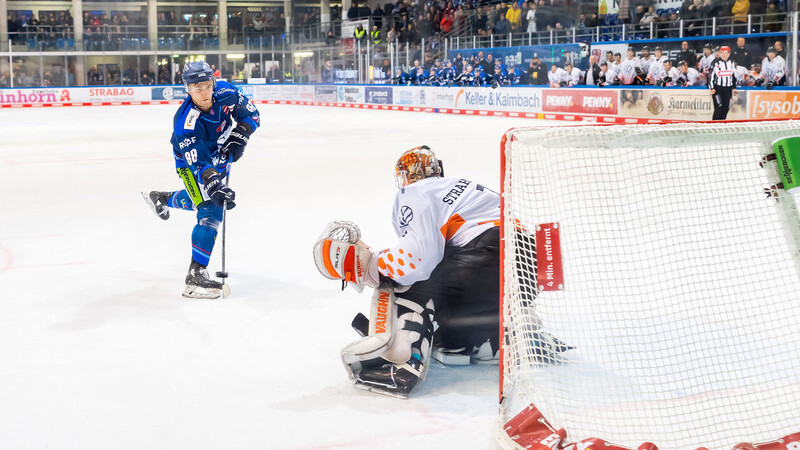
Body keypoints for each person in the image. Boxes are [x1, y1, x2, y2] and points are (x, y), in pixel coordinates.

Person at [312, 146, 571, 398]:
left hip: (489, 255)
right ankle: (497, 336)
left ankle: (401, 361)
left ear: (408, 175)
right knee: (446, 334)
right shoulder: (460, 187)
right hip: (528, 266)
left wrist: (374, 267)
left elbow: (418, 259)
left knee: (411, 285)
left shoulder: (415, 192)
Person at [142, 60, 260, 299]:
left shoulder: (226, 93)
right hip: (190, 164)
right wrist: (215, 184)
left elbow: (253, 114)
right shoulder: (185, 124)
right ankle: (195, 275)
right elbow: (200, 165)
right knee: (210, 209)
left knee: (205, 198)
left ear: (213, 82)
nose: (204, 92)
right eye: (197, 88)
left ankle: (163, 199)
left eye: (207, 85)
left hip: (219, 156)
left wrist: (241, 135)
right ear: (187, 89)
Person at [708, 46, 736, 120]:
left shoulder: (732, 63)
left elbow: (733, 76)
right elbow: (711, 76)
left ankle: (722, 123)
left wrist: (734, 87)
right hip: (718, 89)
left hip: (728, 89)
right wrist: (712, 88)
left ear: (729, 54)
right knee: (718, 107)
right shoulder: (715, 63)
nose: (724, 55)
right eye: (722, 53)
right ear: (719, 53)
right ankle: (714, 125)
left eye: (726, 53)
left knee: (726, 107)